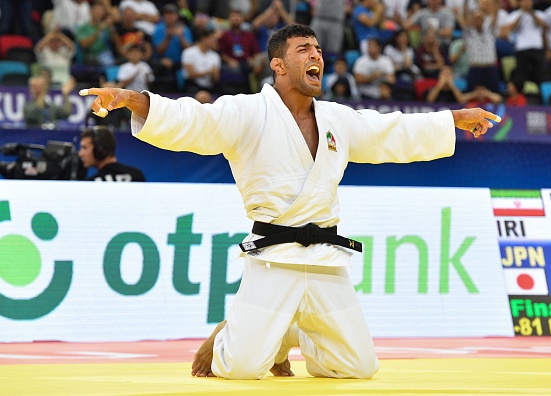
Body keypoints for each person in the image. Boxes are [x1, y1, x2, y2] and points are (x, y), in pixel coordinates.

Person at [80, 23, 499, 380]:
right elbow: (193, 120)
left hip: (325, 257)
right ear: (278, 65)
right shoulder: (247, 113)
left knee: (358, 365)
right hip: (272, 255)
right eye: (304, 50)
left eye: (317, 49)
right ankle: (235, 332)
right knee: (241, 367)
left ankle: (288, 331)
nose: (316, 55)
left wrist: (453, 119)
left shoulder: (338, 119)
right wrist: (130, 98)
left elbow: (391, 131)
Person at [78, 126, 147, 181]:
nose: (80, 154)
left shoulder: (91, 185)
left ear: (100, 150)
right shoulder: (136, 176)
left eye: (84, 148)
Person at [181, 27, 221, 93]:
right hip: (193, 85)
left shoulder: (215, 56)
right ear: (204, 39)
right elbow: (191, 74)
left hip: (209, 86)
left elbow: (216, 79)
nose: (214, 42)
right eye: (212, 39)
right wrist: (209, 72)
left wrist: (214, 75)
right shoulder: (189, 52)